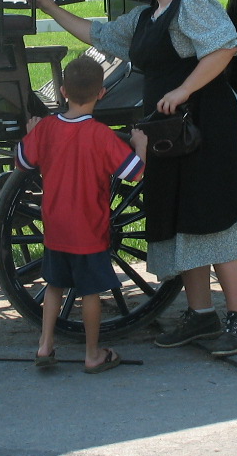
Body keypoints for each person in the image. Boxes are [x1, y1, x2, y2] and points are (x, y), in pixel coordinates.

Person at [18, 0, 237, 357]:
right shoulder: (146, 18)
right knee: (185, 219)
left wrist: (184, 89)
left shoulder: (192, 4)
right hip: (169, 132)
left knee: (213, 216)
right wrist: (50, 7)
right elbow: (98, 33)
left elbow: (226, 47)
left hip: (210, 125)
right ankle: (201, 314)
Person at [15, 54, 147, 373]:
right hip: (89, 230)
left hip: (55, 228)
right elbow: (136, 173)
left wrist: (30, 131)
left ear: (62, 91)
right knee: (89, 292)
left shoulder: (46, 129)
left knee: (55, 286)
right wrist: (140, 144)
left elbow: (21, 162)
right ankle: (92, 354)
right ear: (102, 93)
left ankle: (45, 346)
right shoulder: (101, 136)